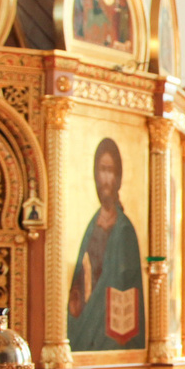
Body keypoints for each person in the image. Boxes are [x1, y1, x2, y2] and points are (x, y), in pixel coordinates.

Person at [65, 138, 144, 351]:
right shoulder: (92, 224)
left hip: (113, 329)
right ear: (95, 175)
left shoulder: (124, 228)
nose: (106, 179)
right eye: (102, 170)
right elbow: (81, 272)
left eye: (111, 171)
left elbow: (127, 283)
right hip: (87, 320)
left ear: (118, 177)